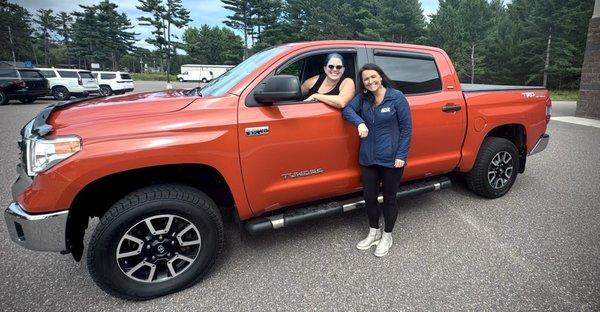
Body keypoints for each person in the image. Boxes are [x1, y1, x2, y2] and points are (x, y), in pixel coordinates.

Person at [342, 63, 412, 257]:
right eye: (366, 79)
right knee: (369, 198)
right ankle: (374, 232)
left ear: (380, 76)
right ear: (363, 83)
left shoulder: (396, 97)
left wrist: (401, 156)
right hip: (368, 157)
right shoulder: (363, 99)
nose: (370, 81)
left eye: (373, 77)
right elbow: (347, 110)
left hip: (391, 159)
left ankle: (387, 236)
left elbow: (406, 129)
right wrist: (360, 122)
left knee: (389, 198)